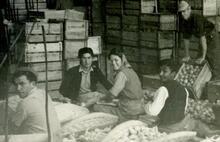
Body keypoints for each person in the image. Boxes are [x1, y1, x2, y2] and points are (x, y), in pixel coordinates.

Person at [144, 60, 220, 137]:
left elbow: (152, 111)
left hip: (167, 127)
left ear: (173, 74)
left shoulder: (163, 89)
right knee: (196, 124)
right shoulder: (184, 89)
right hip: (180, 123)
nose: (160, 74)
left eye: (164, 71)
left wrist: (147, 104)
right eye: (160, 71)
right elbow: (183, 109)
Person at [93, 48, 145, 122]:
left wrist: (101, 99)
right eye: (111, 61)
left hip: (128, 110)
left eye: (116, 60)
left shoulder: (122, 73)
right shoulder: (130, 70)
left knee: (96, 107)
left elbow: (112, 95)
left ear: (122, 59)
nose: (113, 63)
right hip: (139, 108)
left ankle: (121, 119)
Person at [10, 67, 61, 141]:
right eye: (16, 84)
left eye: (22, 84)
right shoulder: (43, 93)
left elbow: (12, 127)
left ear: (33, 84)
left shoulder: (25, 103)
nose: (18, 88)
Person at [178, 0, 220, 80]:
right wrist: (187, 55)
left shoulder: (197, 19)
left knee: (212, 57)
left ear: (189, 9)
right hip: (203, 38)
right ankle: (203, 78)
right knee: (199, 59)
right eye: (181, 12)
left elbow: (203, 39)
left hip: (212, 36)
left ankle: (216, 80)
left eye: (184, 11)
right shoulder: (185, 22)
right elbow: (186, 39)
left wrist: (203, 57)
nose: (183, 14)